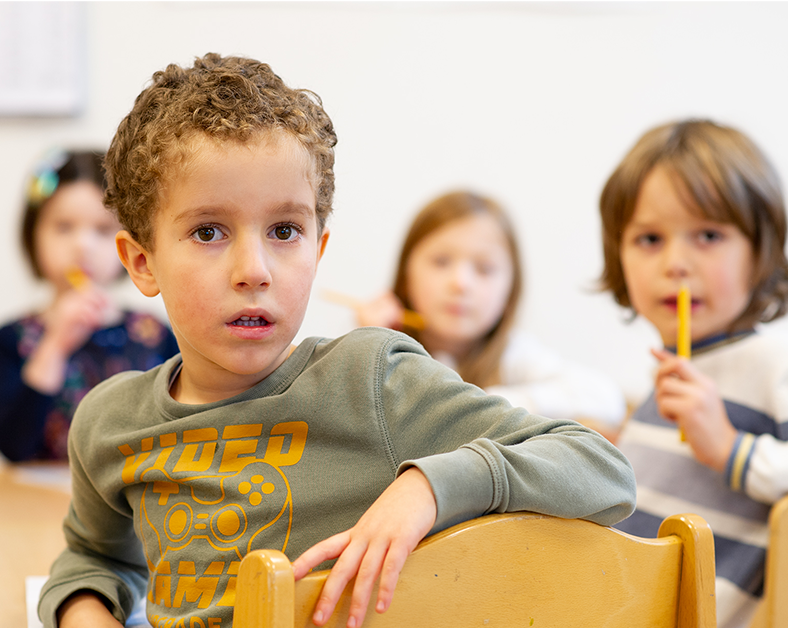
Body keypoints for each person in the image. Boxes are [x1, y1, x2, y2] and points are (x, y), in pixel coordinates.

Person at [38, 53, 635, 628]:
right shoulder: (109, 423)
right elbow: (93, 558)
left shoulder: (371, 379)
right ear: (141, 262)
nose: (255, 269)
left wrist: (429, 485)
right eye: (209, 230)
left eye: (284, 230)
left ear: (317, 251)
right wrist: (83, 609)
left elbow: (601, 470)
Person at [598, 119, 788, 627]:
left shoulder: (783, 367)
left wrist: (734, 451)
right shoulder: (672, 371)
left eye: (708, 235)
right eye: (649, 239)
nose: (676, 263)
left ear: (762, 251)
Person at [353, 190, 627, 437]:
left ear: (510, 292)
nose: (460, 283)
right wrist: (370, 345)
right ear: (406, 275)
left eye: (484, 268)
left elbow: (605, 399)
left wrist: (482, 403)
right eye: (441, 262)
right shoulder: (381, 344)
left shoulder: (513, 354)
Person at [0, 150, 178, 462]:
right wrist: (55, 346)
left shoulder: (155, 335)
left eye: (102, 230)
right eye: (63, 227)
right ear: (33, 235)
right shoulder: (10, 340)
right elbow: (13, 448)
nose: (82, 246)